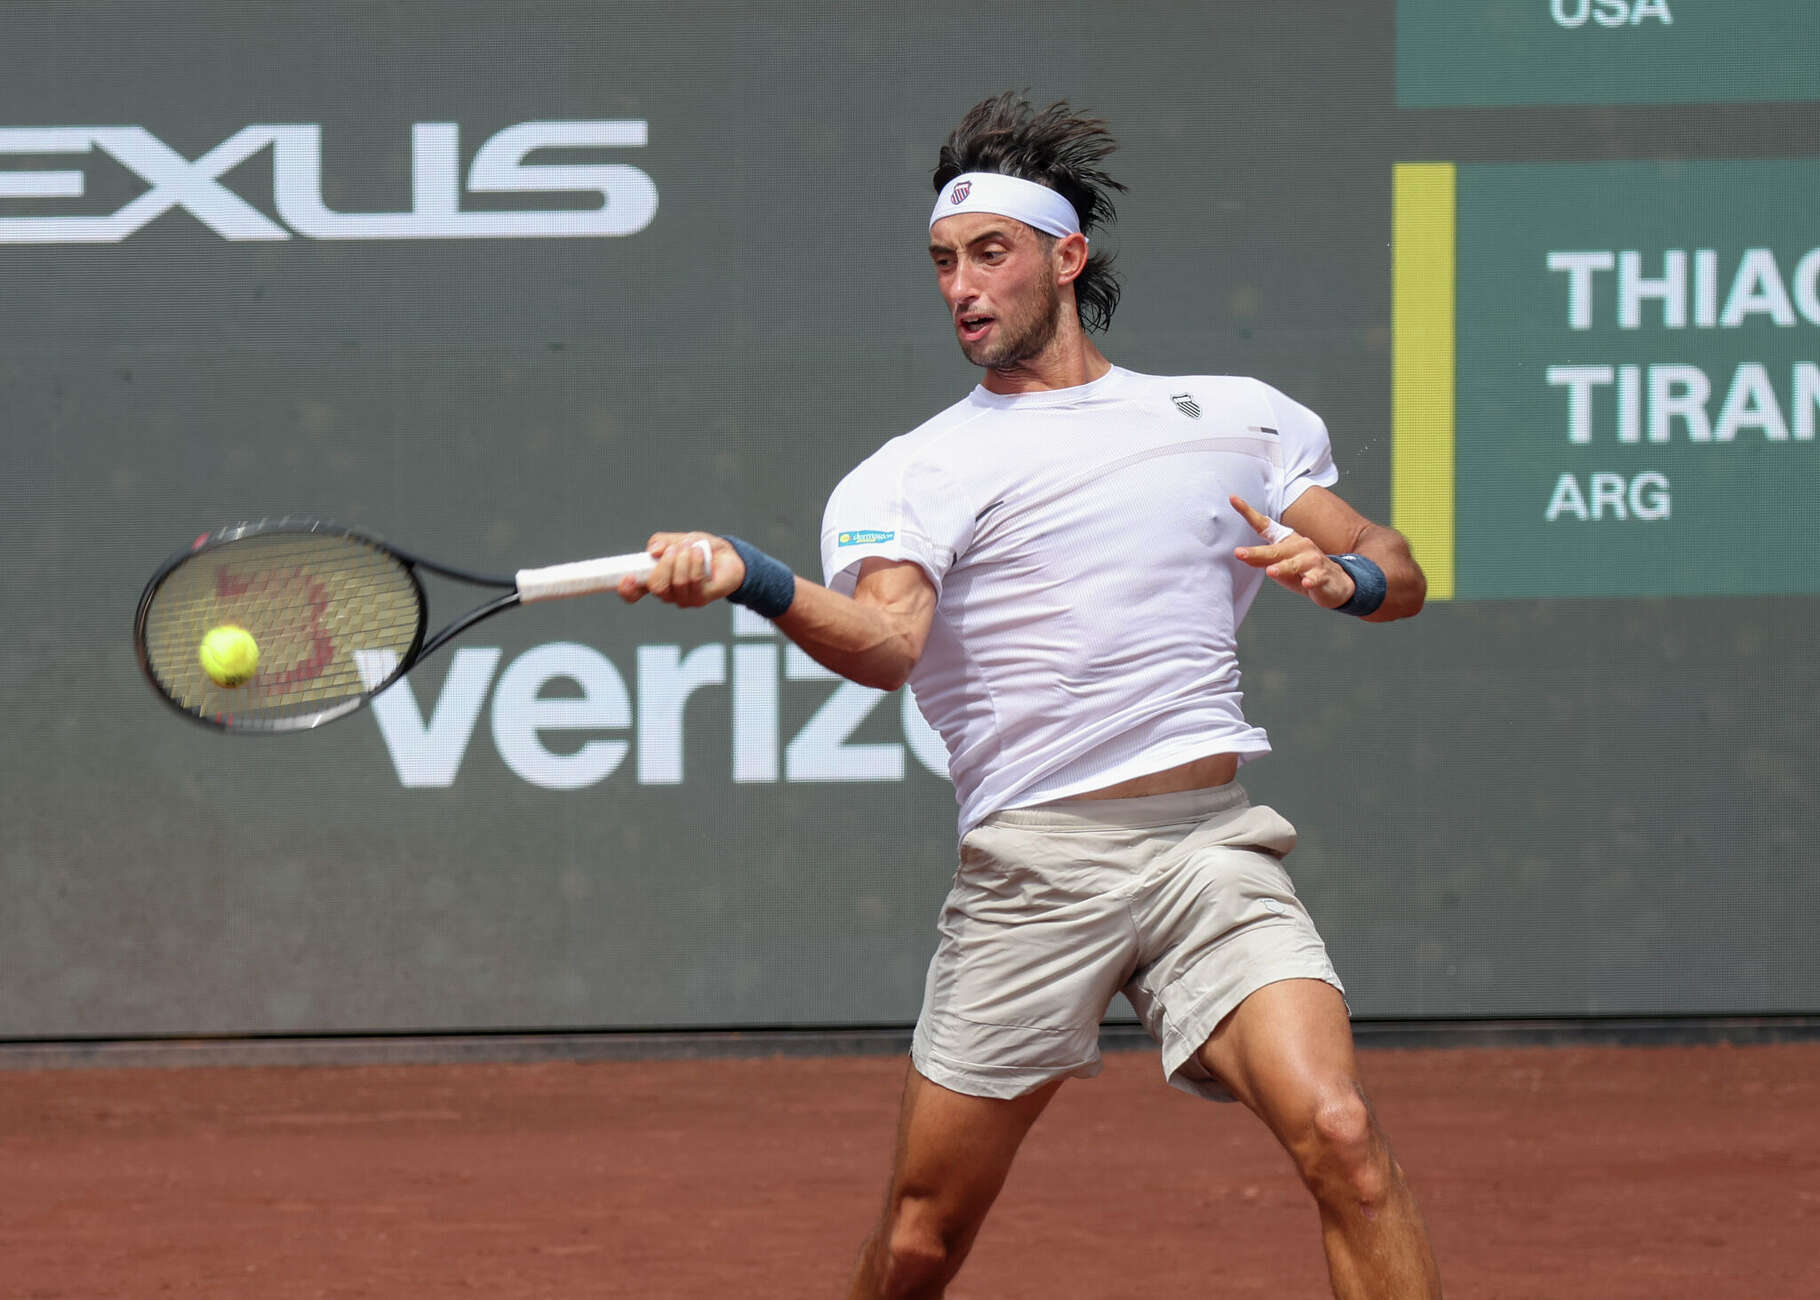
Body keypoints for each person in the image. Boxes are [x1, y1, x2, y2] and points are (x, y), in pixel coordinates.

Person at [621, 92, 1442, 1300]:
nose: (961, 284)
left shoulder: (1232, 416)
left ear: (1067, 257)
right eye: (942, 262)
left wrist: (1352, 573)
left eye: (989, 253)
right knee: (919, 1239)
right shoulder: (916, 470)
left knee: (1344, 1141)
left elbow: (1397, 561)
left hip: (1209, 850)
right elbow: (887, 643)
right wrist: (756, 578)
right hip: (1033, 872)